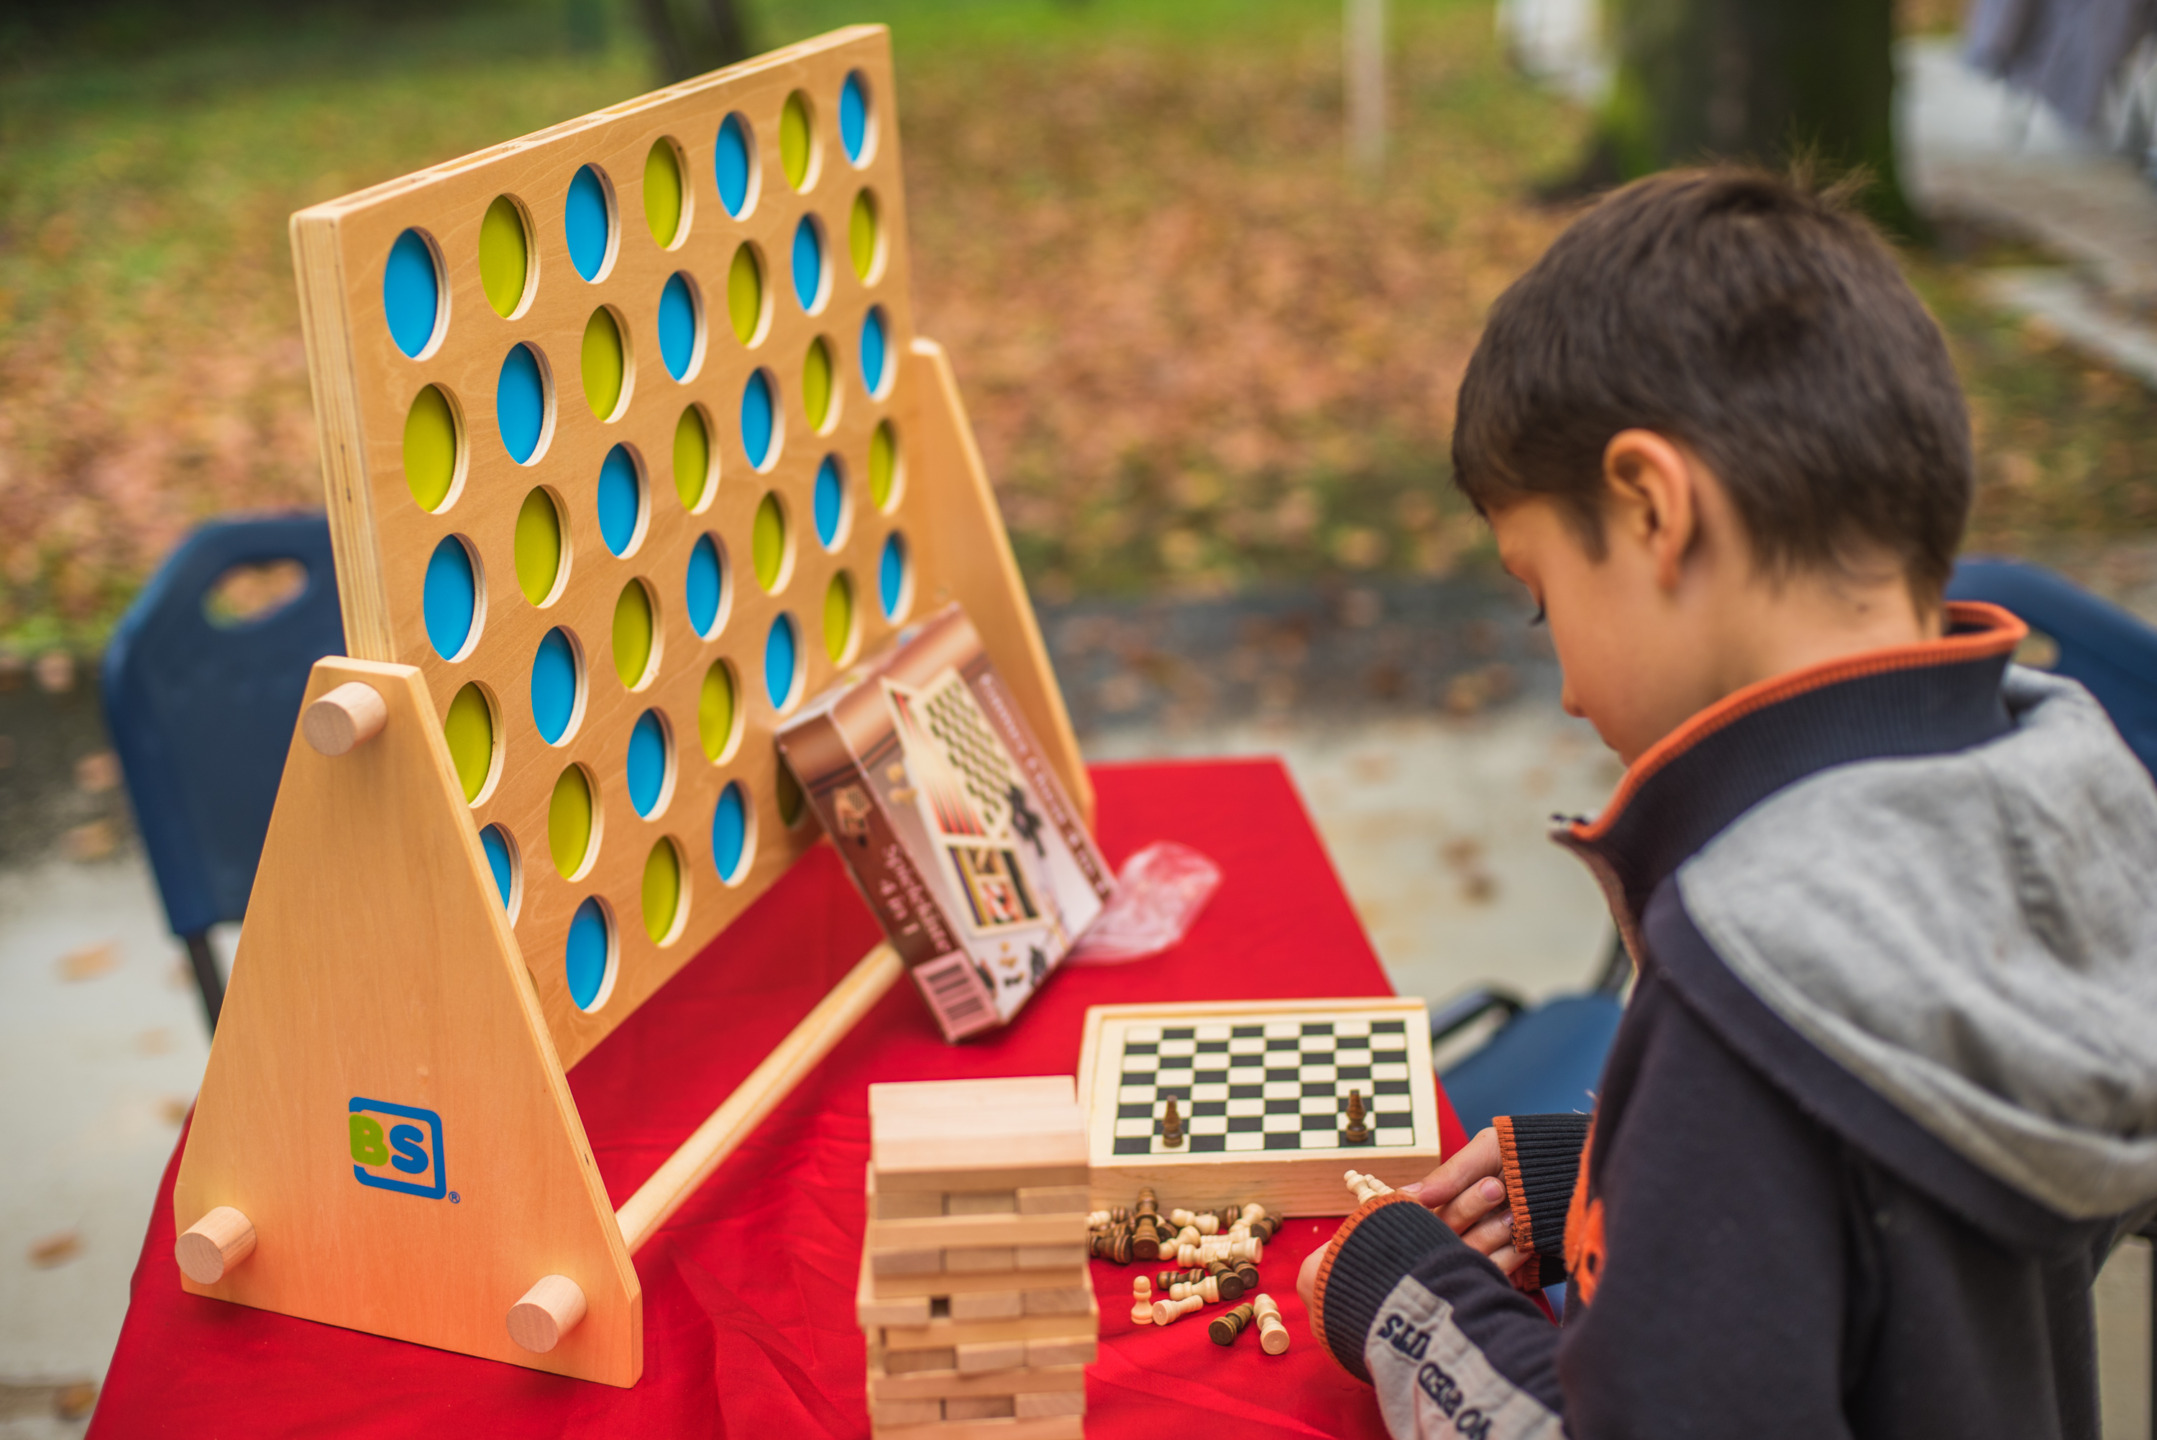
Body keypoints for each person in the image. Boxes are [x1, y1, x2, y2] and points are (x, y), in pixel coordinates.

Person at [1296, 167, 2157, 1439]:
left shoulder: (1746, 983)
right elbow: (1894, 1210)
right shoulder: (2070, 809)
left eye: (1544, 600)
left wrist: (1402, 1301)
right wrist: (1621, 1184)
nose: (1570, 686)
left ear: (1652, 510)